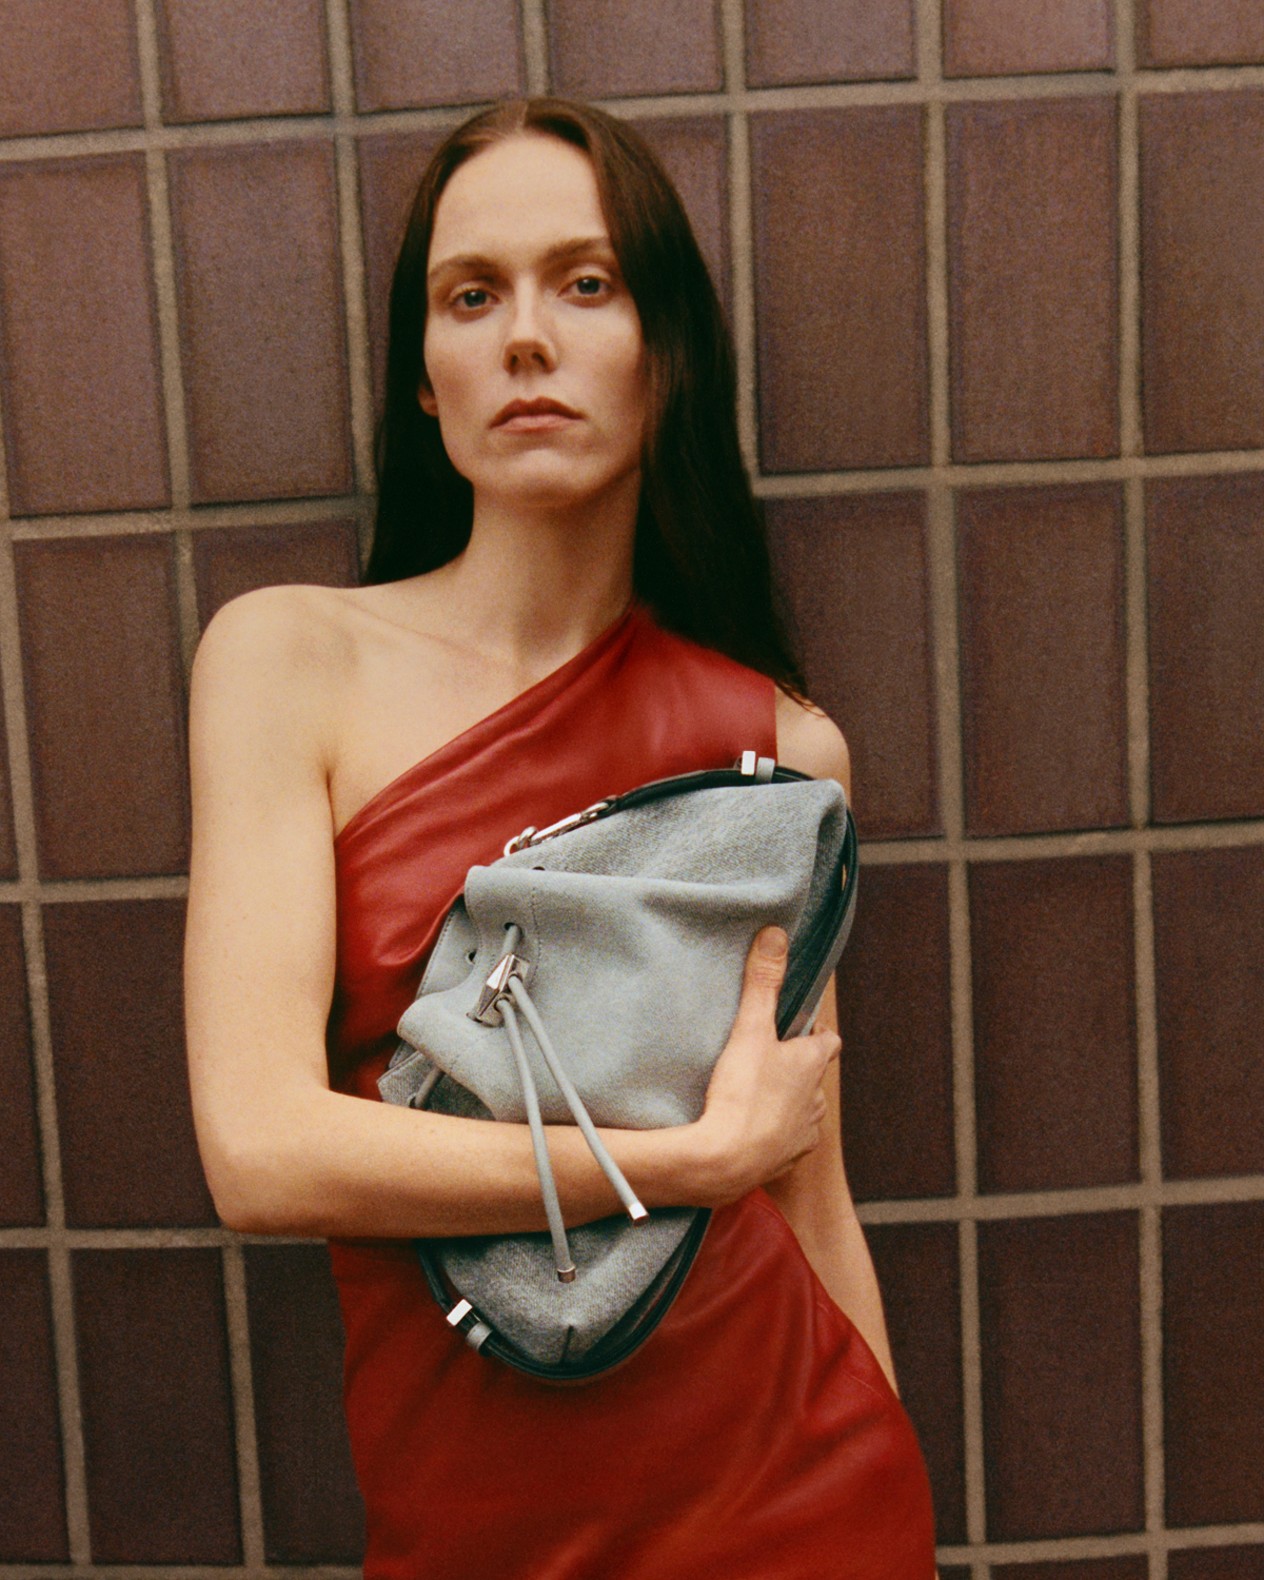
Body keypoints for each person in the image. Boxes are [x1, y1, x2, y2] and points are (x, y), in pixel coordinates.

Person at [184, 97, 935, 1578]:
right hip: (475, 1521)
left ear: (665, 348)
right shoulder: (286, 662)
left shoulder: (782, 747)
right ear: (425, 376)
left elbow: (806, 1186)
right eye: (473, 295)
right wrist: (683, 1161)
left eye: (587, 284)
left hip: (802, 1498)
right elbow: (260, 1152)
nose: (527, 337)